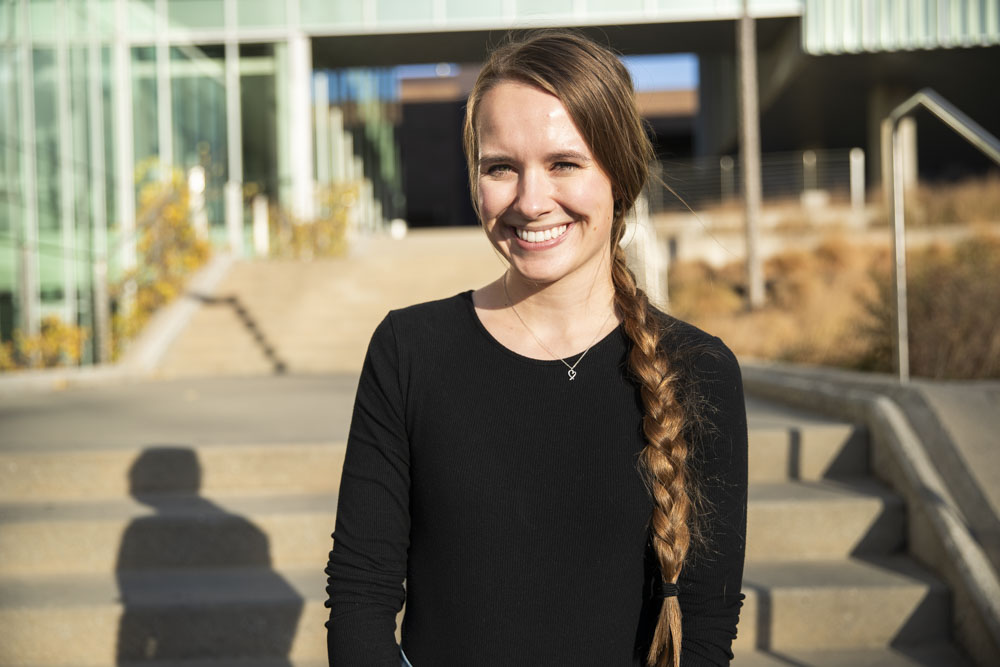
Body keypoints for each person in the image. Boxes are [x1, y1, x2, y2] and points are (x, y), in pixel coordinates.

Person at [325, 31, 747, 667]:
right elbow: (360, 594)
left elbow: (707, 627)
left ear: (621, 174)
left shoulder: (699, 371)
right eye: (501, 167)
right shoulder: (409, 351)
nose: (529, 200)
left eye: (564, 163)